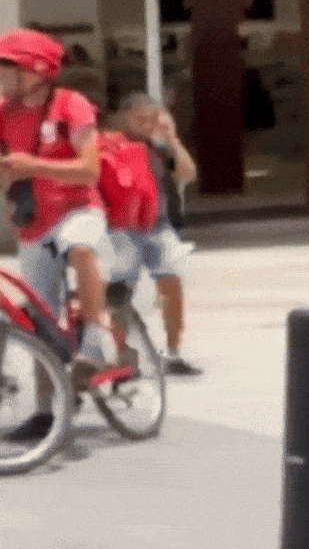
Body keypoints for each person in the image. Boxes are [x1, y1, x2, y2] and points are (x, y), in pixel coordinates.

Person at [0, 28, 118, 439]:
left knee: (81, 247)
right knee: (38, 316)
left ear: (35, 70)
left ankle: (97, 338)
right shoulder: (4, 111)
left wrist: (34, 165)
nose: (1, 73)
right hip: (32, 221)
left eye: (8, 65)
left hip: (77, 208)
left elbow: (89, 170)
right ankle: (48, 411)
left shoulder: (72, 105)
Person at [109, 92, 202, 376]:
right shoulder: (110, 144)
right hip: (121, 230)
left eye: (152, 119)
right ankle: (124, 355)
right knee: (120, 294)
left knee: (172, 285)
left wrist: (172, 139)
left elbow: (188, 174)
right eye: (141, 119)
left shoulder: (158, 148)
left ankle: (173, 352)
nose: (147, 125)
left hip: (158, 226)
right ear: (126, 117)